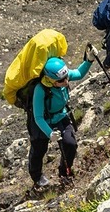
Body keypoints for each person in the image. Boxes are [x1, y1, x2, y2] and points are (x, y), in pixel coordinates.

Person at [27, 54, 87, 191]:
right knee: (39, 150)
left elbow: (78, 73)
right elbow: (38, 117)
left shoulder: (62, 76)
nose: (66, 82)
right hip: (43, 123)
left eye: (66, 78)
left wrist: (88, 60)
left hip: (61, 116)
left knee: (70, 144)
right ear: (50, 80)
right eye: (61, 81)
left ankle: (64, 171)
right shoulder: (40, 90)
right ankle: (37, 177)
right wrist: (50, 133)